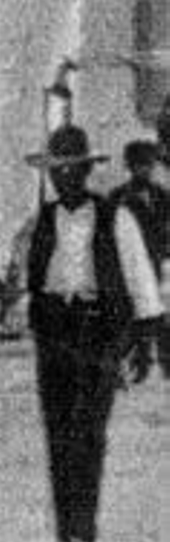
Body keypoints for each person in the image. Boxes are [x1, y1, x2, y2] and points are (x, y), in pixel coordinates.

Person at [24, 121, 160, 542]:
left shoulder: (114, 217)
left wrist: (143, 341)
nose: (61, 178)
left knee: (89, 429)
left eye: (69, 170)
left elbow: (140, 279)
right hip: (54, 329)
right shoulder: (42, 220)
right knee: (59, 428)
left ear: (84, 172)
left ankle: (83, 533)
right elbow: (28, 273)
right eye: (54, 171)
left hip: (97, 329)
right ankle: (66, 531)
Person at [113, 138, 170, 377]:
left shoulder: (162, 196)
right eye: (138, 165)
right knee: (138, 311)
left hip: (160, 259)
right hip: (133, 263)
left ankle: (165, 362)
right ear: (129, 166)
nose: (144, 169)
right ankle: (139, 360)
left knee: (163, 312)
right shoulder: (119, 197)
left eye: (148, 164)